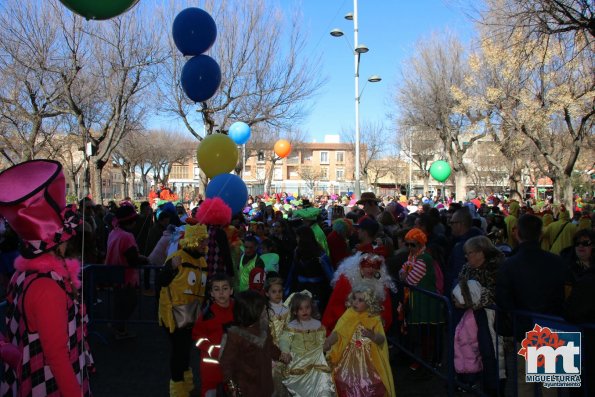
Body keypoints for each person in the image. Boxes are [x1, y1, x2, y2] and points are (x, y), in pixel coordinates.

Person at [0, 159, 93, 396]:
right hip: (50, 386)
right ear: (60, 243)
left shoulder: (24, 274)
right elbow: (57, 358)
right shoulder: (47, 287)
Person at [496, 214, 569, 397]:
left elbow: (503, 300)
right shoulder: (557, 261)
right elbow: (568, 293)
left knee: (525, 384)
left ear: (517, 233)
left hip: (524, 328)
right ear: (541, 234)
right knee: (552, 386)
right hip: (554, 328)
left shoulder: (509, 264)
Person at [158, 222, 210, 397]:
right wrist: (171, 268)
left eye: (206, 241)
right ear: (193, 240)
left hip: (191, 315)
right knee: (179, 352)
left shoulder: (202, 260)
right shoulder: (177, 257)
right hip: (173, 316)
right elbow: (161, 282)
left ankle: (186, 385)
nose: (205, 244)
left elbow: (204, 288)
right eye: (202, 241)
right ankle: (178, 389)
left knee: (185, 351)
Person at [452, 236, 506, 394]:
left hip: (492, 321)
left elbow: (496, 294)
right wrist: (458, 299)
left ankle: (495, 389)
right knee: (475, 353)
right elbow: (457, 286)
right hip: (471, 320)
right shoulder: (467, 268)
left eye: (469, 253)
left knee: (493, 356)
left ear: (481, 253)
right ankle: (477, 383)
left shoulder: (496, 269)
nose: (466, 256)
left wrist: (472, 300)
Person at [324, 286, 395, 397]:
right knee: (346, 383)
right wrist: (328, 341)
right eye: (354, 298)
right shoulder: (348, 315)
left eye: (360, 300)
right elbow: (338, 333)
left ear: (369, 303)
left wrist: (373, 336)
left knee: (370, 384)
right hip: (348, 358)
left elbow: (382, 340)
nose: (355, 302)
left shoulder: (374, 318)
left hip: (369, 360)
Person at [219, 290, 291, 397]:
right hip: (246, 387)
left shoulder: (264, 329)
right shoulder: (236, 336)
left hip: (265, 384)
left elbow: (270, 347)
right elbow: (227, 363)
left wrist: (281, 356)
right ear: (251, 311)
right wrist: (232, 387)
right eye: (263, 309)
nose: (266, 312)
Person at [399, 228, 443, 370]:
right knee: (422, 335)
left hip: (425, 305)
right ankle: (424, 361)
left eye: (413, 244)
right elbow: (402, 272)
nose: (410, 248)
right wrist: (404, 274)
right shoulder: (413, 258)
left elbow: (409, 280)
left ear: (420, 244)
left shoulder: (423, 259)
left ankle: (427, 362)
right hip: (418, 303)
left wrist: (405, 275)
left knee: (426, 336)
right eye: (408, 244)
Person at [322, 252, 395, 335]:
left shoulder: (381, 284)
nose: (371, 269)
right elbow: (334, 311)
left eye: (375, 265)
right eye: (366, 264)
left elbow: (386, 314)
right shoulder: (346, 281)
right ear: (358, 264)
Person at [105, 204, 149, 339]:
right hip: (127, 277)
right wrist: (144, 259)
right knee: (129, 303)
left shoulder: (113, 232)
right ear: (129, 222)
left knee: (118, 304)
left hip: (115, 274)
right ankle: (119, 329)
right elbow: (132, 258)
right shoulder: (127, 236)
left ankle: (117, 327)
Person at [279, 292, 335, 396]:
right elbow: (284, 340)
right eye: (301, 309)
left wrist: (326, 345)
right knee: (302, 391)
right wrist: (285, 351)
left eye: (307, 307)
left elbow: (322, 341)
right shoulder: (292, 327)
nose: (305, 311)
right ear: (295, 311)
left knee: (324, 386)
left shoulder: (318, 325)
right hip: (300, 361)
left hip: (317, 361)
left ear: (311, 308)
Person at [192, 273, 235, 397]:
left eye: (225, 288)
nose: (221, 293)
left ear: (231, 290)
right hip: (211, 366)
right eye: (216, 289)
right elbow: (197, 337)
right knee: (210, 393)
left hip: (232, 364)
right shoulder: (206, 316)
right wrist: (213, 350)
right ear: (211, 293)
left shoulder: (238, 310)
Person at [285, 226, 334, 313]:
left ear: (302, 237)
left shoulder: (318, 254)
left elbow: (329, 274)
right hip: (314, 291)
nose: (296, 239)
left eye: (297, 236)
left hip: (313, 291)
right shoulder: (300, 252)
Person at [264, 274, 290, 397]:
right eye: (274, 291)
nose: (278, 294)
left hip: (287, 351)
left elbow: (290, 331)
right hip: (272, 354)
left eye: (280, 291)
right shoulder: (265, 312)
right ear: (267, 294)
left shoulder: (287, 310)